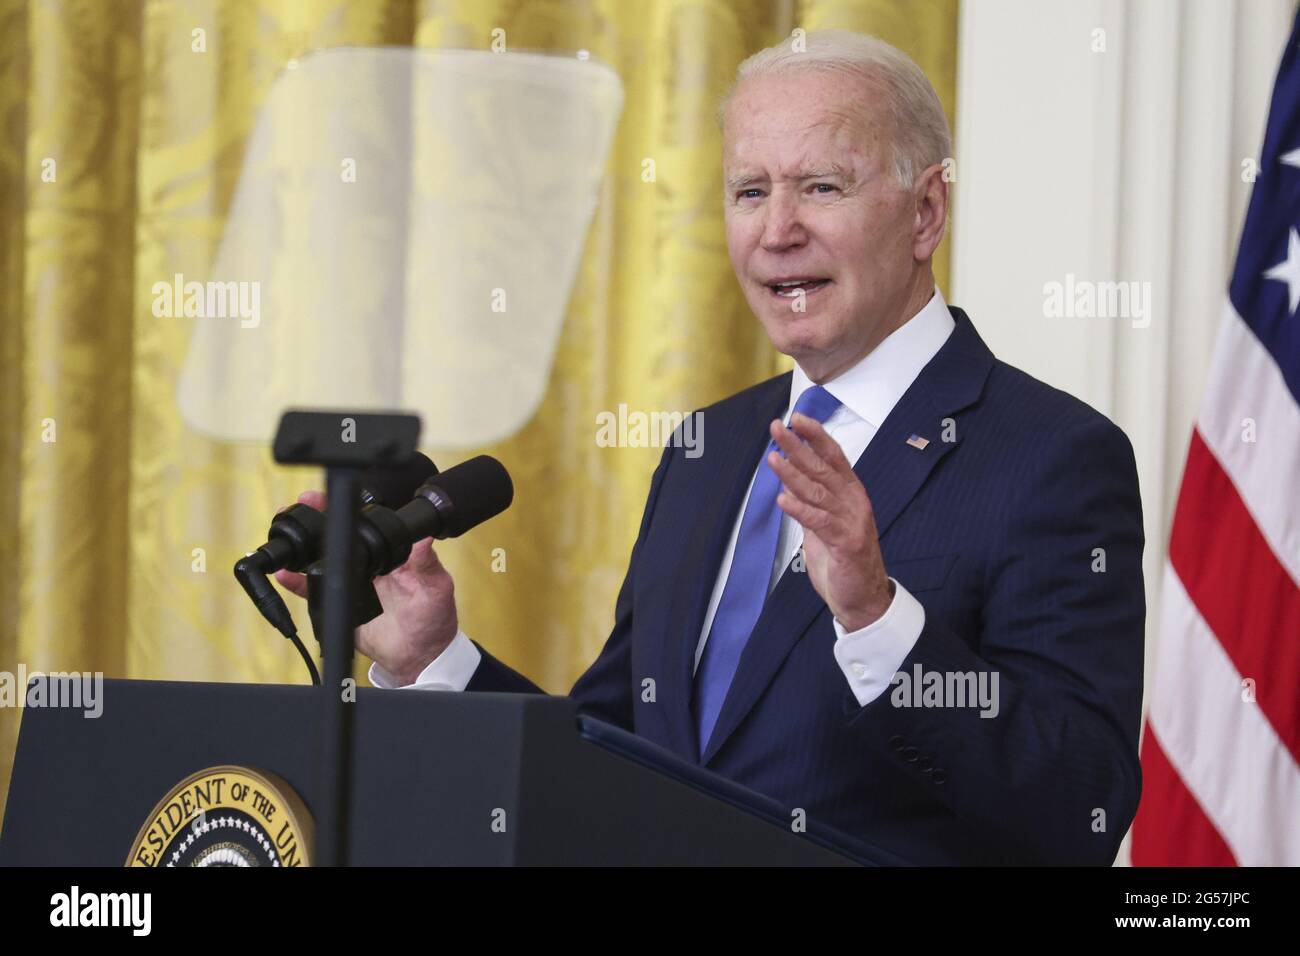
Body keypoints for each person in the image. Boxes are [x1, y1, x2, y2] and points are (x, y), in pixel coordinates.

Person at [277, 30, 1145, 865]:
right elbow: (610, 767)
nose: (777, 231)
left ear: (926, 213)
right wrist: (433, 656)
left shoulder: (1052, 457)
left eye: (822, 188)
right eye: (749, 191)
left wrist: (879, 617)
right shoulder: (709, 447)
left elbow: (1081, 808)